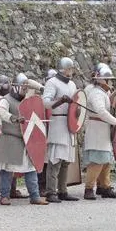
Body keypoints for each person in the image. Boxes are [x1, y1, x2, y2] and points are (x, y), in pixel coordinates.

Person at [0, 74, 49, 206]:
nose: (25, 90)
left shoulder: (27, 101)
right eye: (23, 87)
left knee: (31, 168)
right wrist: (13, 118)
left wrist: (34, 85)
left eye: (26, 88)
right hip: (11, 138)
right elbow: (0, 112)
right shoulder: (5, 100)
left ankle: (34, 196)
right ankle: (4, 196)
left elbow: (38, 92)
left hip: (26, 139)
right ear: (16, 87)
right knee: (8, 169)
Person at [82, 65, 116, 200]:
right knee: (97, 161)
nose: (110, 83)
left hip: (102, 131)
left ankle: (104, 186)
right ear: (102, 80)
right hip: (96, 130)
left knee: (106, 160)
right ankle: (89, 189)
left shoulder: (102, 93)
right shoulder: (96, 93)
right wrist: (115, 121)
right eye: (109, 80)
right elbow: (101, 111)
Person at [41, 57, 79, 202]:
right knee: (55, 159)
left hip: (69, 123)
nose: (71, 71)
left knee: (66, 160)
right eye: (69, 68)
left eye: (72, 69)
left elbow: (77, 103)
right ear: (63, 69)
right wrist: (60, 100)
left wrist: (78, 117)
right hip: (58, 121)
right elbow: (45, 103)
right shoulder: (52, 82)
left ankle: (63, 190)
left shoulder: (72, 85)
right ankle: (51, 191)